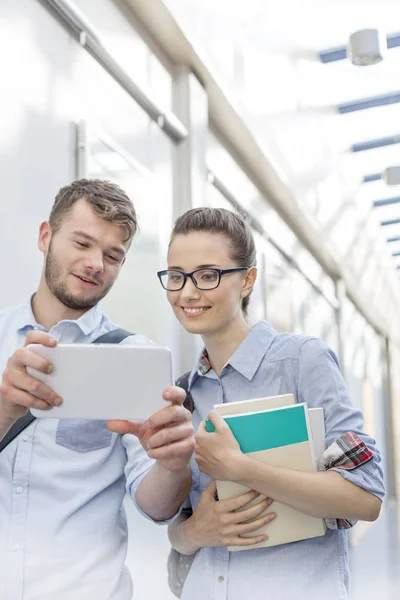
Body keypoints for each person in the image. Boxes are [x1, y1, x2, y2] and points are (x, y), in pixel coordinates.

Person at [158, 207, 385, 600]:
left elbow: (364, 496)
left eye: (208, 275)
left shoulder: (301, 361)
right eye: (176, 276)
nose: (187, 292)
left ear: (248, 280)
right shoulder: (186, 391)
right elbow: (180, 527)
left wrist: (241, 469)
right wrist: (194, 532)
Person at [0, 179, 194, 600]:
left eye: (113, 256)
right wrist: (3, 410)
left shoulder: (134, 358)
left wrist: (174, 464)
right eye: (82, 243)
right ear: (45, 236)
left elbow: (158, 507)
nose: (95, 264)